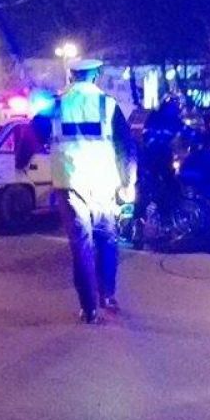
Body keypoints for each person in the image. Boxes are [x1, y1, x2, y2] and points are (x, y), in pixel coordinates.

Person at [42, 59, 136, 324]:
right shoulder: (108, 105)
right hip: (103, 183)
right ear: (96, 77)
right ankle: (107, 295)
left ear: (71, 76)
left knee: (81, 245)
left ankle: (89, 309)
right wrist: (128, 183)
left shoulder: (56, 105)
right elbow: (126, 148)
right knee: (107, 239)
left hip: (70, 184)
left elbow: (36, 133)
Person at [133, 94, 184, 247]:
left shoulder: (173, 120)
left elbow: (186, 132)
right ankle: (138, 226)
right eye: (174, 105)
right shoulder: (155, 118)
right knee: (146, 191)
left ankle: (167, 224)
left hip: (163, 161)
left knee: (171, 188)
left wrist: (203, 138)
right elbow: (147, 137)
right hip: (150, 161)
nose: (175, 108)